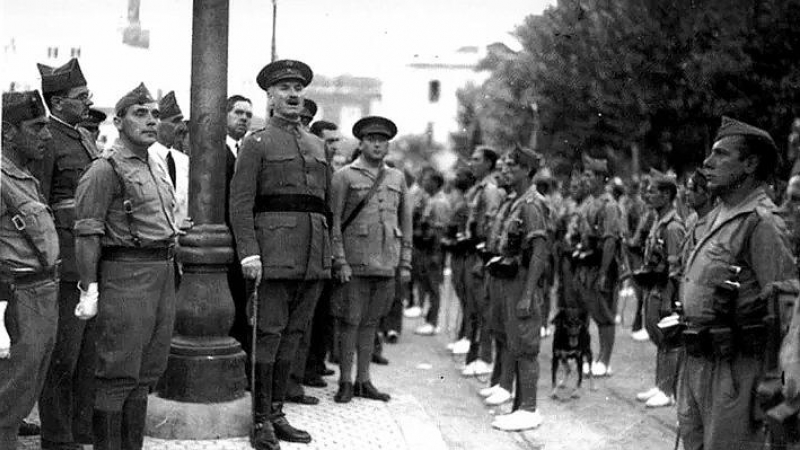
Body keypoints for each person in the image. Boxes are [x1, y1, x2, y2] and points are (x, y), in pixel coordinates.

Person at [678, 117, 796, 449]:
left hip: (736, 373)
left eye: (721, 155)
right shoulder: (715, 217)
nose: (707, 163)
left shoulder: (762, 223)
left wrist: (777, 380)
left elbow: (786, 310)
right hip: (697, 361)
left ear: (750, 163)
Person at [229, 59, 329, 449]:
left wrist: (331, 257)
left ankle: (278, 412)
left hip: (312, 257)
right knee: (267, 336)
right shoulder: (256, 143)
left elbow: (325, 208)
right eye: (284, 88)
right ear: (269, 97)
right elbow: (241, 204)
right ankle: (260, 422)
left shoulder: (317, 144)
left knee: (294, 337)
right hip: (272, 255)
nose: (293, 94)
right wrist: (249, 254)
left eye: (298, 88)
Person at [74, 83, 178, 450]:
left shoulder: (156, 164)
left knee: (146, 371)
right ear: (118, 122)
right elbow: (87, 233)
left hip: (162, 272)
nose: (150, 120)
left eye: (154, 114)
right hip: (126, 275)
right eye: (140, 113)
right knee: (117, 371)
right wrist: (90, 289)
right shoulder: (104, 169)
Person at [35, 57, 103, 450]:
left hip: (90, 259)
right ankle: (57, 438)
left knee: (87, 355)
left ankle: (81, 432)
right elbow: (40, 201)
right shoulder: (48, 140)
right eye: (81, 97)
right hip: (65, 261)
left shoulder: (82, 136)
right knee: (63, 357)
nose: (87, 102)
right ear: (58, 102)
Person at [328, 116, 412, 403]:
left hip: (386, 262)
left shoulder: (397, 178)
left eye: (383, 140)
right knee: (350, 322)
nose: (377, 145)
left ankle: (365, 381)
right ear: (361, 143)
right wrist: (339, 260)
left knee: (372, 323)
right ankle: (346, 382)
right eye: (371, 140)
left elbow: (406, 223)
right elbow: (335, 221)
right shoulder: (344, 176)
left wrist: (405, 263)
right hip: (354, 262)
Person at [0, 90, 58, 450]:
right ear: (8, 132)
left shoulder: (22, 176)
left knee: (26, 387)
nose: (46, 135)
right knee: (9, 389)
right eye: (37, 127)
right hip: (18, 297)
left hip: (41, 292)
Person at [489, 146, 549, 431]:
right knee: (516, 342)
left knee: (526, 347)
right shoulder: (518, 201)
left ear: (526, 170)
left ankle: (529, 408)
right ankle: (519, 407)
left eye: (513, 165)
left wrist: (528, 293)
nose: (506, 169)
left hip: (523, 282)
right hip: (511, 280)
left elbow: (539, 250)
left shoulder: (532, 204)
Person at [633, 172, 685, 408]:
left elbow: (675, 267)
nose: (648, 194)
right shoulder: (658, 221)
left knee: (668, 340)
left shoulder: (673, 227)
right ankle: (659, 384)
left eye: (653, 191)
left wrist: (668, 298)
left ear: (667, 195)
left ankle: (667, 390)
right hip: (652, 286)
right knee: (657, 336)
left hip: (664, 289)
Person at [575, 155, 622, 377]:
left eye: (589, 175)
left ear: (602, 177)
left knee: (604, 314)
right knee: (590, 310)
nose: (585, 179)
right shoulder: (588, 203)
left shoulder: (609, 205)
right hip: (586, 264)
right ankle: (592, 357)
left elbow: (610, 240)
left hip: (602, 264)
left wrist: (604, 272)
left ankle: (605, 359)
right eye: (585, 174)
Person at [461, 146, 503, 376]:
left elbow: (492, 226)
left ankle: (485, 356)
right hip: (472, 249)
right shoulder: (479, 188)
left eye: (476, 159)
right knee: (474, 305)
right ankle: (477, 353)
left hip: (481, 253)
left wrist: (483, 255)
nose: (471, 163)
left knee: (483, 306)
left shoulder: (490, 190)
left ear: (488, 163)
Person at [224, 94, 254, 381]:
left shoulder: (249, 150)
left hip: (245, 243)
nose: (244, 118)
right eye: (238, 113)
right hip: (224, 242)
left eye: (248, 114)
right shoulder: (218, 152)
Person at [442, 167, 477, 355]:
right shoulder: (462, 201)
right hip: (457, 253)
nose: (457, 178)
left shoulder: (466, 203)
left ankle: (468, 335)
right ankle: (464, 334)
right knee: (462, 295)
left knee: (467, 296)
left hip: (464, 254)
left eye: (460, 176)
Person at [413, 169, 450, 336]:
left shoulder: (440, 203)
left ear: (435, 183)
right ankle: (429, 318)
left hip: (434, 250)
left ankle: (433, 322)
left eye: (427, 180)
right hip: (425, 248)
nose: (424, 183)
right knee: (427, 283)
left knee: (434, 286)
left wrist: (436, 253)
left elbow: (440, 230)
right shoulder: (430, 199)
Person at [150, 91, 190, 229]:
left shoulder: (184, 161)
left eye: (181, 121)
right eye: (175, 121)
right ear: (158, 125)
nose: (181, 127)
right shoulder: (147, 157)